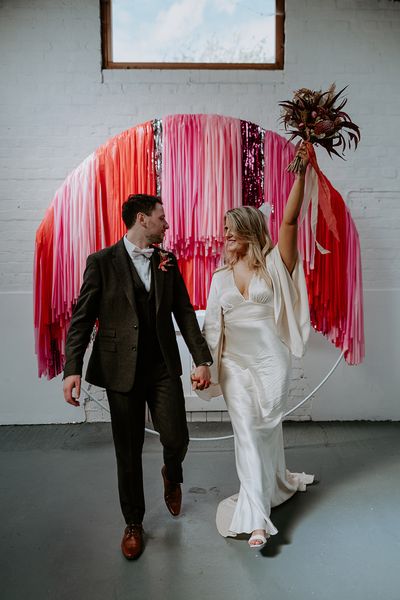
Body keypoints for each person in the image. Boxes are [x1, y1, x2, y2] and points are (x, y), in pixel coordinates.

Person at [63, 193, 212, 560]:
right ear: (142, 219)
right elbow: (82, 319)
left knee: (176, 436)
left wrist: (201, 359)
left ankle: (171, 471)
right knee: (127, 451)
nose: (166, 223)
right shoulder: (101, 262)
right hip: (119, 370)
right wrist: (72, 369)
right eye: (162, 217)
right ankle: (133, 523)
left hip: (162, 366)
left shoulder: (167, 260)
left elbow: (184, 311)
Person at [194, 144, 314, 549]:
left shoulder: (276, 264)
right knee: (245, 431)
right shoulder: (219, 279)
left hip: (271, 362)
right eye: (224, 227)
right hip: (234, 365)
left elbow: (292, 220)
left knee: (265, 430)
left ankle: (275, 483)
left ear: (248, 228)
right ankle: (257, 520)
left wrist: (301, 173)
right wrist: (205, 367)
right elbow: (212, 328)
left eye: (231, 226)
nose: (225, 232)